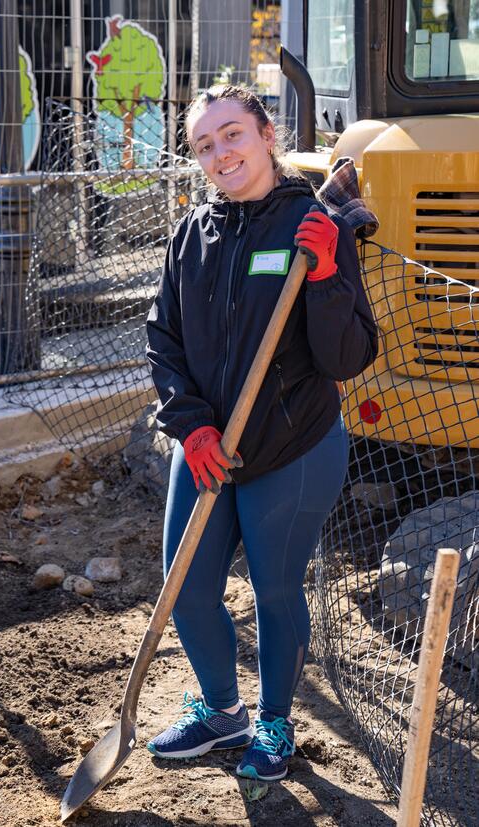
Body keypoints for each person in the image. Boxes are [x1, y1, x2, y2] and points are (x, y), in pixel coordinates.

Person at [145, 84, 378, 782]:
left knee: (276, 589)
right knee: (185, 584)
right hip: (210, 446)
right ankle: (223, 711)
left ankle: (274, 723)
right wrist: (190, 426)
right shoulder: (193, 234)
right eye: (205, 144)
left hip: (293, 445)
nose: (220, 153)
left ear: (267, 132)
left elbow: (350, 356)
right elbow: (163, 338)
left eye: (232, 134)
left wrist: (330, 274)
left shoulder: (311, 225)